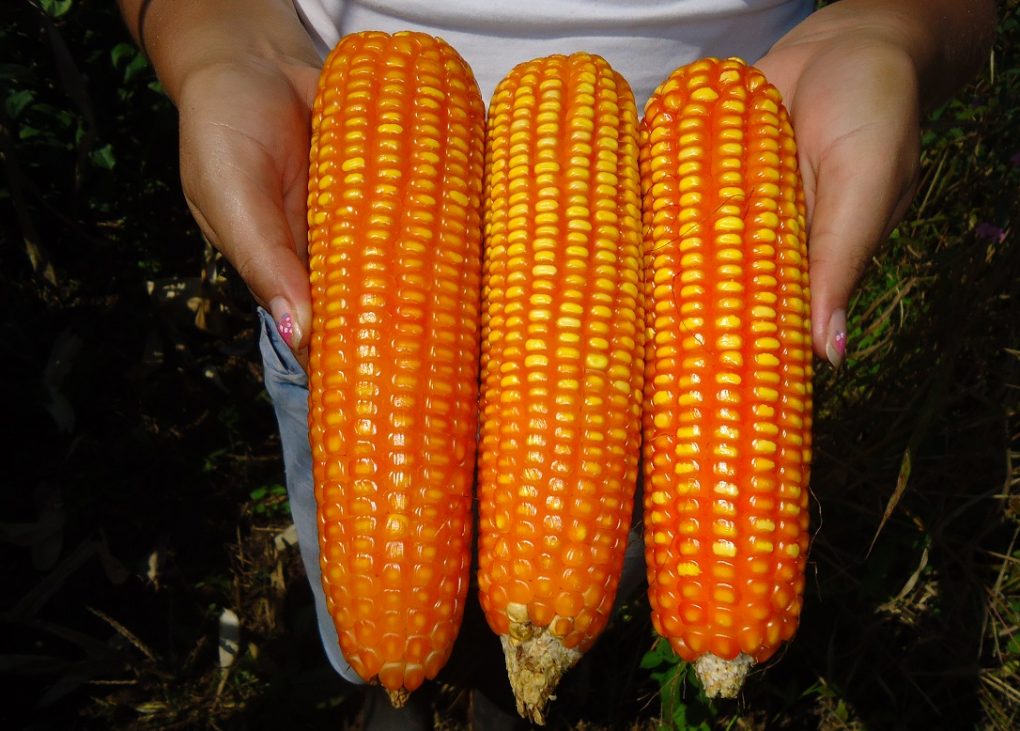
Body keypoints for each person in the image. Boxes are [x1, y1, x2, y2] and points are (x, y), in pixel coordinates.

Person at [116, 0, 996, 727]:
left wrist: (892, 30)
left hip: (691, 252)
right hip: (365, 233)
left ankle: (506, 692)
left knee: (579, 581)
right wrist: (212, 40)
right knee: (383, 582)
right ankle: (395, 689)